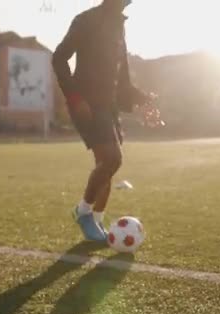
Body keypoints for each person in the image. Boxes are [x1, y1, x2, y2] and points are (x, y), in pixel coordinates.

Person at [52, 0, 153, 242]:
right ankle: (83, 211)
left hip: (109, 108)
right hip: (87, 104)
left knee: (106, 166)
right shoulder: (86, 20)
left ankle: (96, 222)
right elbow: (59, 58)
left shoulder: (120, 27)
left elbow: (123, 81)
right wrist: (75, 98)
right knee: (112, 158)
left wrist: (143, 99)